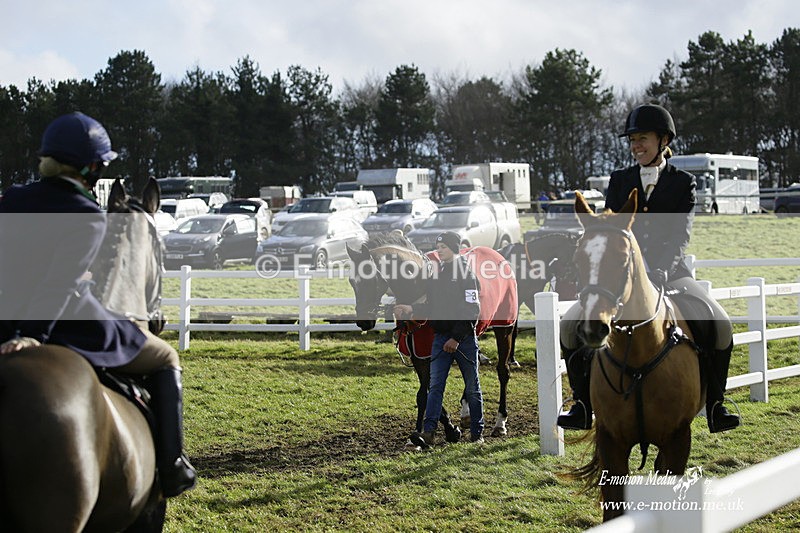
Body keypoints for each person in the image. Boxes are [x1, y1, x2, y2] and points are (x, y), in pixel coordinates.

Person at [0, 112, 197, 496]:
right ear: (93, 167)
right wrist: (32, 335)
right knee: (165, 356)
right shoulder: (87, 214)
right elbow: (58, 285)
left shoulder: (12, 198)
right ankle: (173, 465)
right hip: (67, 323)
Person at [557, 103, 740, 434]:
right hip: (621, 275)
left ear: (663, 140)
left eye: (642, 138)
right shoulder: (619, 180)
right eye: (632, 140)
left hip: (672, 273)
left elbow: (680, 236)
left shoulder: (683, 182)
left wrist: (661, 271)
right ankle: (581, 404)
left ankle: (716, 404)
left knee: (720, 324)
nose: (636, 146)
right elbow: (610, 229)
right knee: (570, 326)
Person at [394, 231, 484, 447]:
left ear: (454, 248)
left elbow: (472, 309)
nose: (439, 250)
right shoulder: (438, 275)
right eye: (438, 246)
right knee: (434, 387)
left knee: (472, 387)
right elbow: (431, 306)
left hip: (463, 340)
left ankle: (477, 434)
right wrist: (412, 308)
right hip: (440, 338)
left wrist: (456, 338)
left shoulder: (467, 275)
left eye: (443, 246)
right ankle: (429, 432)